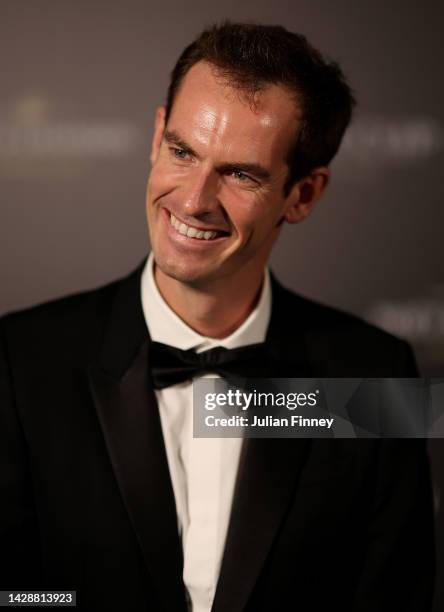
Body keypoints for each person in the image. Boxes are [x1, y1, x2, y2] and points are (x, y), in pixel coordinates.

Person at [0, 21, 435, 612]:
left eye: (240, 174)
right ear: (157, 137)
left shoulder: (374, 376)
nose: (194, 199)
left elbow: (393, 598)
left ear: (303, 194)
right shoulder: (20, 361)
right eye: (183, 151)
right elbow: (14, 594)